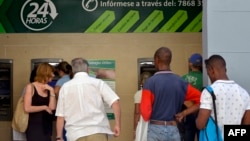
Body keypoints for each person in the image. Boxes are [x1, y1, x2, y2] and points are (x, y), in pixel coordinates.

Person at [140, 47, 201, 141]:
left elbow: (145, 114)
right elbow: (202, 100)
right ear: (170, 60)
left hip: (155, 130)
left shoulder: (150, 83)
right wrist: (184, 113)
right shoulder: (181, 82)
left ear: (156, 59)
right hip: (174, 129)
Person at [55, 58, 121, 141]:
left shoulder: (65, 87)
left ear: (72, 70)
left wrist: (59, 137)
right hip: (97, 131)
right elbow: (115, 101)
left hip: (75, 134)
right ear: (87, 69)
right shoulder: (98, 83)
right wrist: (117, 125)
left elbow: (60, 116)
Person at [196, 54, 250, 139]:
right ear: (225, 69)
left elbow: (201, 124)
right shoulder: (244, 93)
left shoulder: (209, 91)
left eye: (208, 73)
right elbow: (246, 124)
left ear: (211, 70)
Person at [23, 62, 57, 141]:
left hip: (46, 125)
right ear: (45, 73)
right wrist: (44, 107)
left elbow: (52, 108)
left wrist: (52, 91)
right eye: (52, 73)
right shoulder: (30, 87)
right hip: (34, 126)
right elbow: (27, 108)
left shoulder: (49, 88)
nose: (53, 75)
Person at [180, 53, 203, 141]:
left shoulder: (183, 78)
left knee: (188, 134)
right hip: (201, 111)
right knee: (201, 135)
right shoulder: (205, 78)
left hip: (187, 112)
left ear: (190, 63)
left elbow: (180, 95)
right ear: (200, 65)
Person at [54, 61, 73, 141]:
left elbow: (55, 92)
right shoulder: (73, 79)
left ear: (60, 71)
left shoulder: (61, 81)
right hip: (73, 111)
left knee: (64, 133)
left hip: (64, 111)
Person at [133, 71, 152, 140]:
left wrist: (135, 130)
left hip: (142, 122)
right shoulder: (156, 93)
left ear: (141, 82)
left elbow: (137, 113)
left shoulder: (138, 94)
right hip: (154, 122)